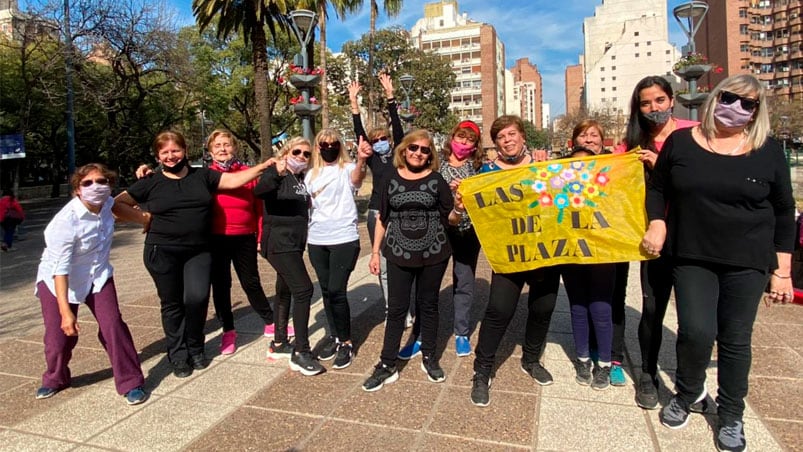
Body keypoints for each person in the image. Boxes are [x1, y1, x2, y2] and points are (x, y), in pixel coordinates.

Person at [643, 74, 794, 452]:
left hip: (747, 260)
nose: (737, 108)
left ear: (757, 112)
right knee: (695, 331)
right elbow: (657, 187)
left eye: (748, 104)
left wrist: (783, 271)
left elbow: (783, 210)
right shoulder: (681, 142)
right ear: (715, 98)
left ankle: (731, 414)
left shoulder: (769, 150)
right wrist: (658, 222)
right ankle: (689, 392)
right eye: (730, 98)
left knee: (735, 339)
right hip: (692, 254)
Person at [115, 131, 272, 378]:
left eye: (175, 150)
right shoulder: (150, 181)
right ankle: (178, 354)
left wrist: (265, 165)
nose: (170, 156)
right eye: (164, 152)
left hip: (199, 250)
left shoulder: (203, 175)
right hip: (162, 251)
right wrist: (143, 218)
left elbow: (233, 181)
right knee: (172, 304)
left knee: (197, 298)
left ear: (185, 151)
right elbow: (117, 205)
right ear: (157, 155)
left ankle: (196, 347)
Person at [35, 163, 147, 404]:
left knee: (113, 326)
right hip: (59, 283)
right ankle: (55, 377)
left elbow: (118, 207)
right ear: (77, 190)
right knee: (58, 338)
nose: (95, 187)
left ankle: (131, 382)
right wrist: (66, 313)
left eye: (101, 182)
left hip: (98, 277)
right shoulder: (65, 222)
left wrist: (144, 219)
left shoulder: (106, 202)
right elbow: (60, 270)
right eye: (87, 183)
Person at [618, 76, 700, 408]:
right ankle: (647, 375)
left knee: (696, 319)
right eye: (646, 103)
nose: (654, 108)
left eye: (659, 100)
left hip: (694, 236)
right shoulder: (631, 144)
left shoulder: (694, 134)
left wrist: (662, 167)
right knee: (653, 308)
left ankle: (690, 382)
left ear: (671, 100)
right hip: (652, 239)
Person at [466, 115, 555, 407]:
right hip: (509, 254)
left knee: (543, 307)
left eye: (512, 134)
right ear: (497, 143)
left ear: (523, 137)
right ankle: (482, 370)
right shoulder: (487, 173)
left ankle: (531, 360)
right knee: (499, 310)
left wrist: (546, 166)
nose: (507, 140)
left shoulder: (543, 166)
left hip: (545, 251)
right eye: (501, 136)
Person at [362, 129, 454, 392]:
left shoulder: (437, 181)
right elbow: (382, 218)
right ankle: (387, 363)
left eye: (425, 150)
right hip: (398, 252)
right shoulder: (390, 179)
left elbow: (451, 219)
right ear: (404, 150)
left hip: (434, 253)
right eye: (414, 148)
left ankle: (429, 357)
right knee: (397, 310)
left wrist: (458, 208)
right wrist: (375, 251)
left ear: (430, 155)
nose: (418, 153)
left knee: (429, 305)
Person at [202, 130, 279, 355]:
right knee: (221, 286)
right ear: (210, 151)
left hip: (244, 236)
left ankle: (270, 321)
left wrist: (260, 234)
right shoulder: (206, 176)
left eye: (227, 144)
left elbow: (259, 208)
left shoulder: (249, 173)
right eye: (217, 145)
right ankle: (228, 331)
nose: (223, 149)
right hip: (216, 238)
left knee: (251, 282)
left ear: (234, 148)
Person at [254, 136, 324, 377]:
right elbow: (260, 191)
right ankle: (301, 351)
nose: (301, 157)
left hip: (295, 244)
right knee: (304, 290)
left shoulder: (301, 178)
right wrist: (277, 172)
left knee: (284, 290)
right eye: (297, 152)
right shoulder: (277, 173)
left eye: (306, 154)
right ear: (286, 153)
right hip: (278, 243)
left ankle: (280, 342)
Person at [349, 74, 415, 328]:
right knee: (385, 265)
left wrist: (390, 94)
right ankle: (393, 309)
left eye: (382, 139)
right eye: (375, 141)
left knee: (405, 262)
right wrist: (354, 102)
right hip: (377, 212)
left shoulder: (400, 154)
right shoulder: (373, 158)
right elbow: (359, 133)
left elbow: (398, 126)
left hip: (401, 212)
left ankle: (407, 306)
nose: (379, 143)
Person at [305, 129, 372, 369]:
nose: (329, 147)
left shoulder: (347, 168)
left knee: (337, 290)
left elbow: (357, 179)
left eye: (334, 143)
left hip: (343, 237)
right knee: (325, 290)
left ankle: (346, 342)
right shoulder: (310, 173)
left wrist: (362, 160)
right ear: (318, 146)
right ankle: (334, 336)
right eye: (324, 144)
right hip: (316, 238)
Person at [562, 121, 617, 391]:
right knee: (578, 307)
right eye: (582, 136)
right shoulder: (558, 177)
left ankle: (605, 364)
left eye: (593, 135)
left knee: (601, 307)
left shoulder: (614, 172)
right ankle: (583, 359)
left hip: (602, 252)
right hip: (571, 252)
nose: (587, 139)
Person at [439, 120, 483, 357]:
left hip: (468, 233)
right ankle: (422, 331)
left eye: (470, 139)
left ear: (476, 145)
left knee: (464, 282)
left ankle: (462, 332)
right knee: (429, 283)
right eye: (460, 137)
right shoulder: (436, 162)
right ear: (452, 137)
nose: (464, 143)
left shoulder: (478, 168)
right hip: (439, 231)